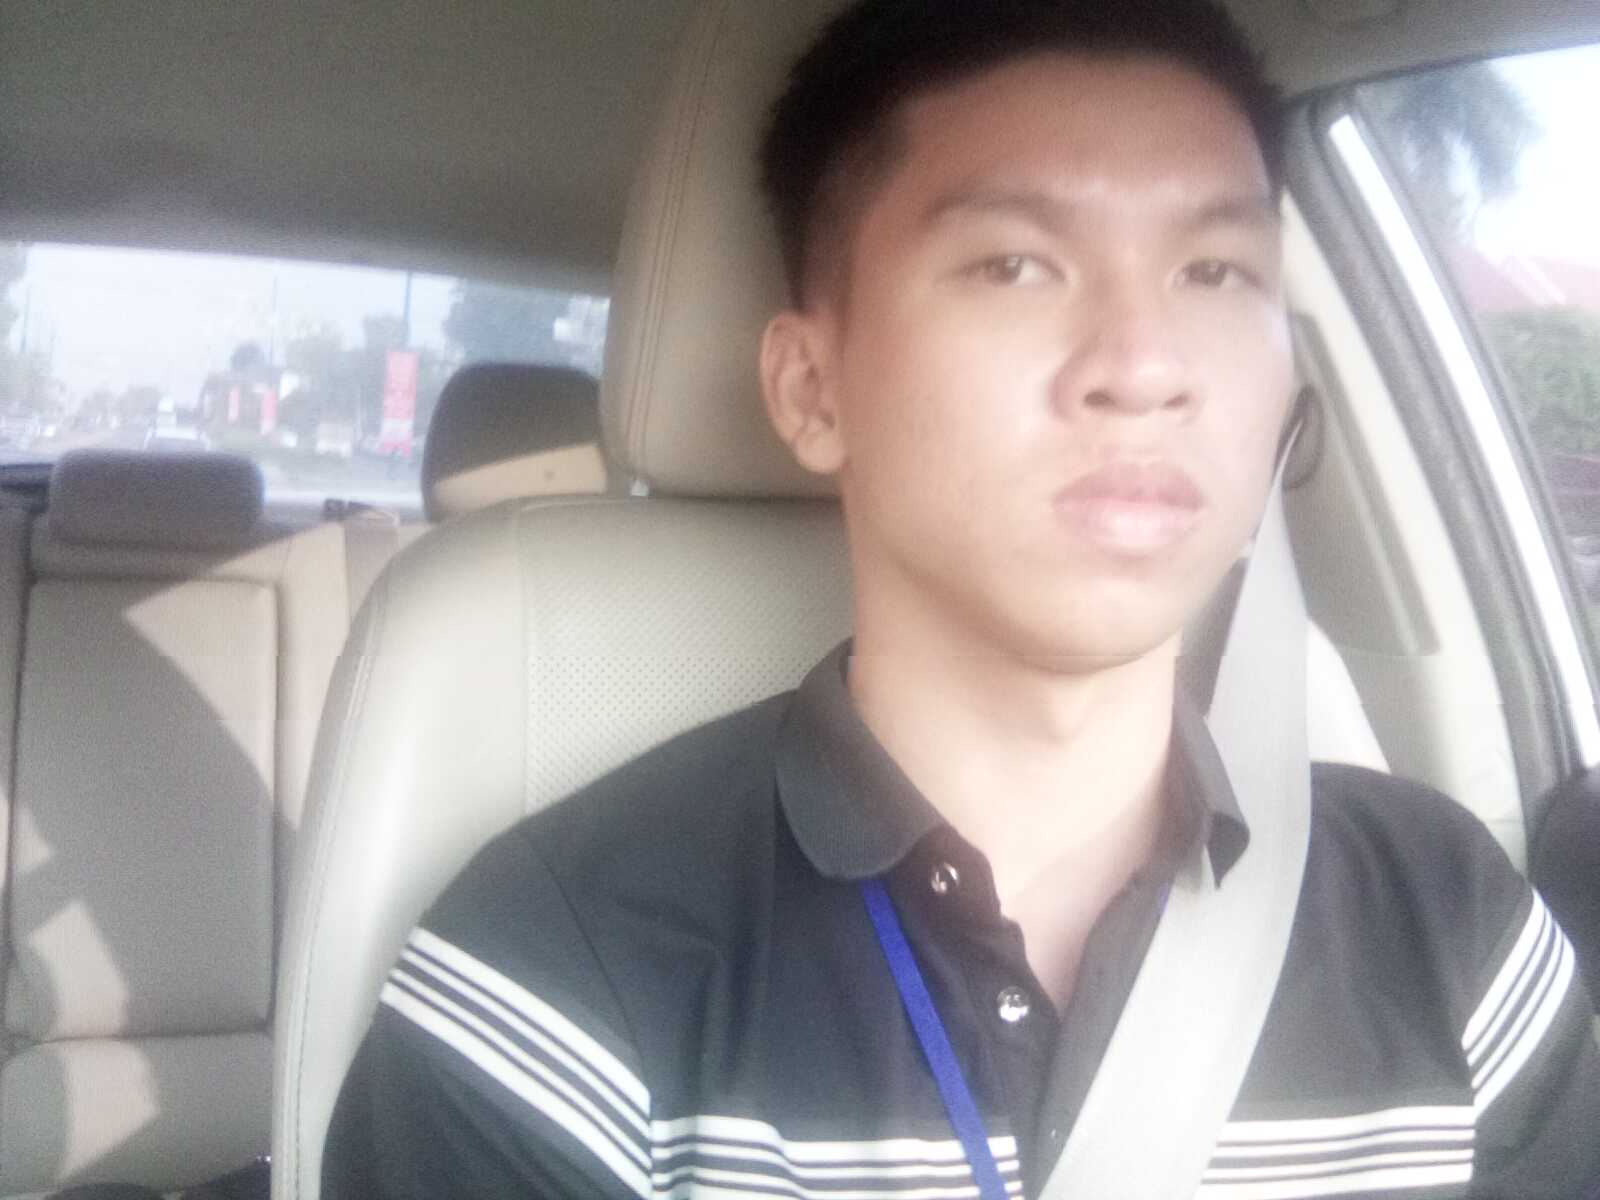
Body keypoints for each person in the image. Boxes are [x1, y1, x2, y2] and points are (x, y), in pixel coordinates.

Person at [322, 1, 1600, 1196]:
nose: (1143, 366)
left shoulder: (1450, 922)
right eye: (1014, 266)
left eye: (1215, 272)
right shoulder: (560, 991)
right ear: (812, 390)